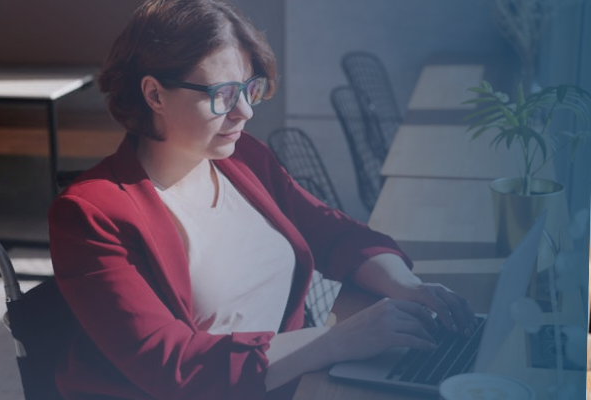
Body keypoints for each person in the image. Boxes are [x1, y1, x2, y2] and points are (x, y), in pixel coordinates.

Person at [48, 1, 475, 399]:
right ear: (155, 94)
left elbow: (332, 232)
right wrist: (337, 339)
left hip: (290, 381)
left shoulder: (243, 157)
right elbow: (171, 366)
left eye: (249, 88)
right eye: (222, 95)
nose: (245, 112)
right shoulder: (90, 214)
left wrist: (406, 286)